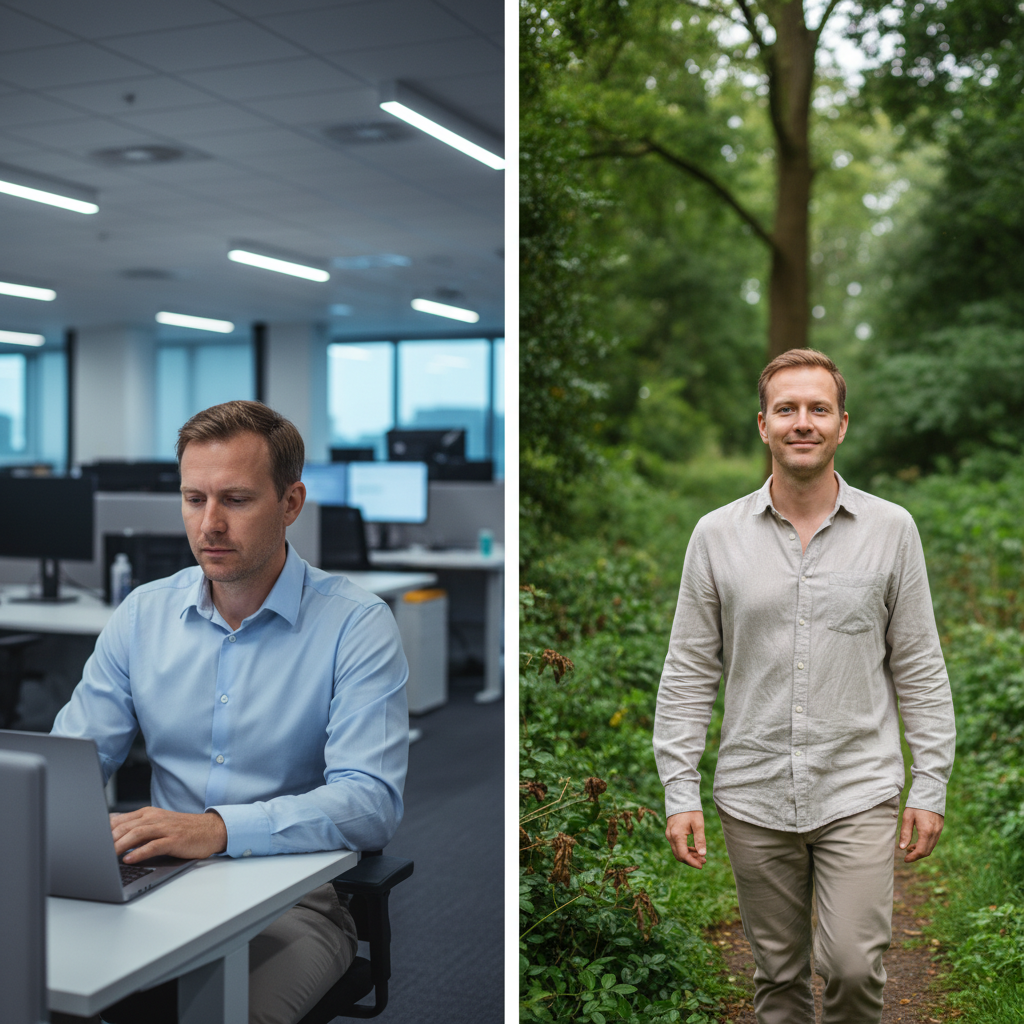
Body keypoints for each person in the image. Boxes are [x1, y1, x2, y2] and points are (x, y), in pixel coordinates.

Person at [52, 400, 409, 1024]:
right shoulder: (143, 614)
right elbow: (68, 766)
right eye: (195, 499)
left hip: (291, 900)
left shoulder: (356, 625)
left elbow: (370, 803)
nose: (209, 524)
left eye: (236, 500)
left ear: (290, 503)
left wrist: (218, 829)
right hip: (147, 879)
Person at [652, 349, 955, 1024]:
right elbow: (688, 671)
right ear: (762, 425)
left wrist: (929, 781)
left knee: (852, 966)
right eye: (786, 409)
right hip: (753, 792)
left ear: (842, 425)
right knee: (779, 979)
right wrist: (680, 790)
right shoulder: (715, 537)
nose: (803, 422)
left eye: (818, 409)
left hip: (858, 788)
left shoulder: (891, 530)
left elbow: (920, 665)